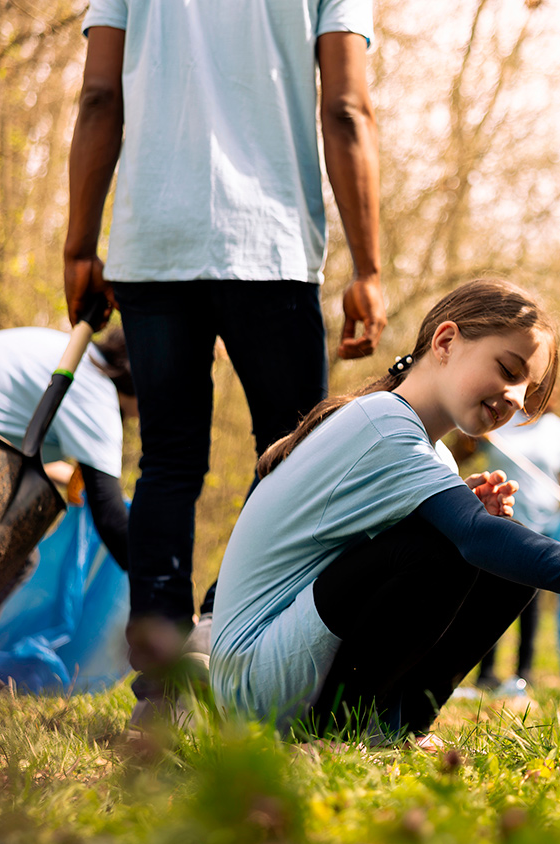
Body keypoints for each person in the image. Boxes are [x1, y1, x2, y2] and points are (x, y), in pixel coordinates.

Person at [64, 0, 388, 722]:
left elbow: (98, 96)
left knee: (168, 465)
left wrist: (79, 243)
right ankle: (225, 642)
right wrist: (368, 264)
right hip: (267, 245)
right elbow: (347, 110)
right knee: (296, 458)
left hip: (153, 242)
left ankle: (161, 685)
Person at [211, 280, 560, 743]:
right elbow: (468, 537)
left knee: (505, 563)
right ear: (445, 341)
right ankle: (334, 734)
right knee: (459, 546)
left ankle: (398, 727)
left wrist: (458, 516)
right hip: (254, 683)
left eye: (529, 390)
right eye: (509, 371)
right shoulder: (383, 422)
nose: (516, 399)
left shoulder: (431, 451)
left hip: (294, 664)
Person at [0, 326, 136, 637]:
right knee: (9, 556)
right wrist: (164, 592)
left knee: (20, 560)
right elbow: (111, 518)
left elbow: (18, 440)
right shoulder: (96, 395)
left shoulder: (72, 354)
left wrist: (70, 479)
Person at [460, 393, 560, 699]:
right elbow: (462, 453)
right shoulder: (500, 421)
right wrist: (469, 438)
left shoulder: (559, 429)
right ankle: (485, 673)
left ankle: (524, 673)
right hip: (502, 522)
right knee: (489, 598)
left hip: (544, 526)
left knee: (530, 601)